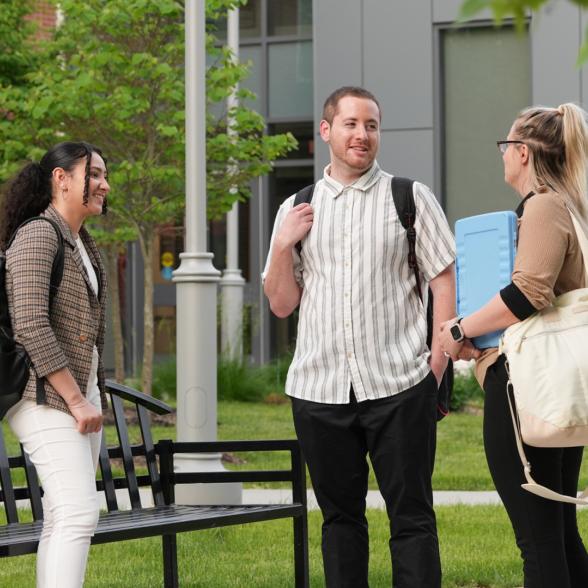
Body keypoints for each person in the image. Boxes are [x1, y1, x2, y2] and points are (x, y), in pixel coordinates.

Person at [263, 86, 456, 588]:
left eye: (371, 125)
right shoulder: (296, 208)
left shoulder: (410, 198)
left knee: (412, 518)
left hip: (400, 384)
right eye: (350, 124)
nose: (362, 135)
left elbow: (443, 280)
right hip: (320, 391)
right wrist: (283, 245)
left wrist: (436, 366)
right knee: (340, 521)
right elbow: (282, 302)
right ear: (326, 131)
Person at [439, 103, 588, 587]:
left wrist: (459, 330)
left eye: (506, 145)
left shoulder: (545, 204)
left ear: (522, 153)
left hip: (522, 388)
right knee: (558, 534)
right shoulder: (571, 206)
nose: (502, 155)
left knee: (538, 541)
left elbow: (528, 292)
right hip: (548, 389)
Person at [0, 141, 110, 588]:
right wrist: (76, 399)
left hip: (76, 394)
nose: (105, 184)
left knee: (67, 516)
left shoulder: (80, 239)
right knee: (78, 511)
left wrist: (89, 395)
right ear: (61, 179)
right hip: (44, 397)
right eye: (95, 174)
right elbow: (29, 323)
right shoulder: (38, 234)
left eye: (105, 175)